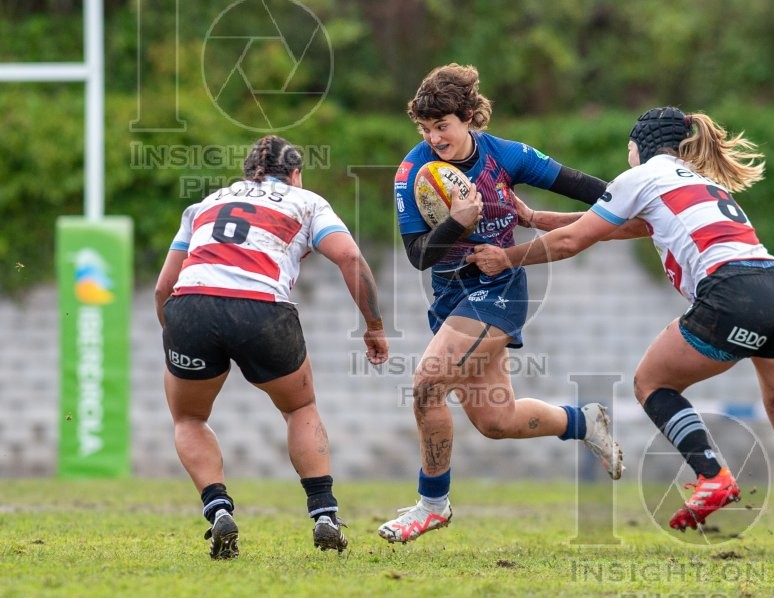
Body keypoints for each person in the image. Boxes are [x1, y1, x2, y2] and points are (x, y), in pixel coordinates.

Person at [467, 106, 774, 554]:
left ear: (639, 145)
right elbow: (629, 227)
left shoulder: (640, 175)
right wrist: (536, 218)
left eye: (628, 148)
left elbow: (575, 241)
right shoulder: (694, 179)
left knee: (651, 382)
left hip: (731, 291)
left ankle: (711, 475)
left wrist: (507, 258)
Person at [378, 63, 635, 545]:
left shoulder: (507, 156)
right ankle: (585, 421)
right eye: (427, 128)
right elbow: (417, 257)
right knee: (497, 420)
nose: (435, 138)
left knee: (427, 385)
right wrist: (457, 221)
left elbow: (590, 188)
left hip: (498, 288)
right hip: (451, 293)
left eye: (444, 126)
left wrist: (648, 202)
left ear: (471, 117)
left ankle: (432, 504)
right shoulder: (412, 173)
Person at [155, 135, 389, 559]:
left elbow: (163, 286)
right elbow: (350, 258)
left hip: (190, 305)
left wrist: (174, 328)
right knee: (299, 408)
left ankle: (218, 507)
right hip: (262, 309)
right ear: (295, 173)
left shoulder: (204, 204)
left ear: (248, 173)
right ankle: (324, 514)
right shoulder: (306, 201)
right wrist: (373, 326)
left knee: (188, 417)